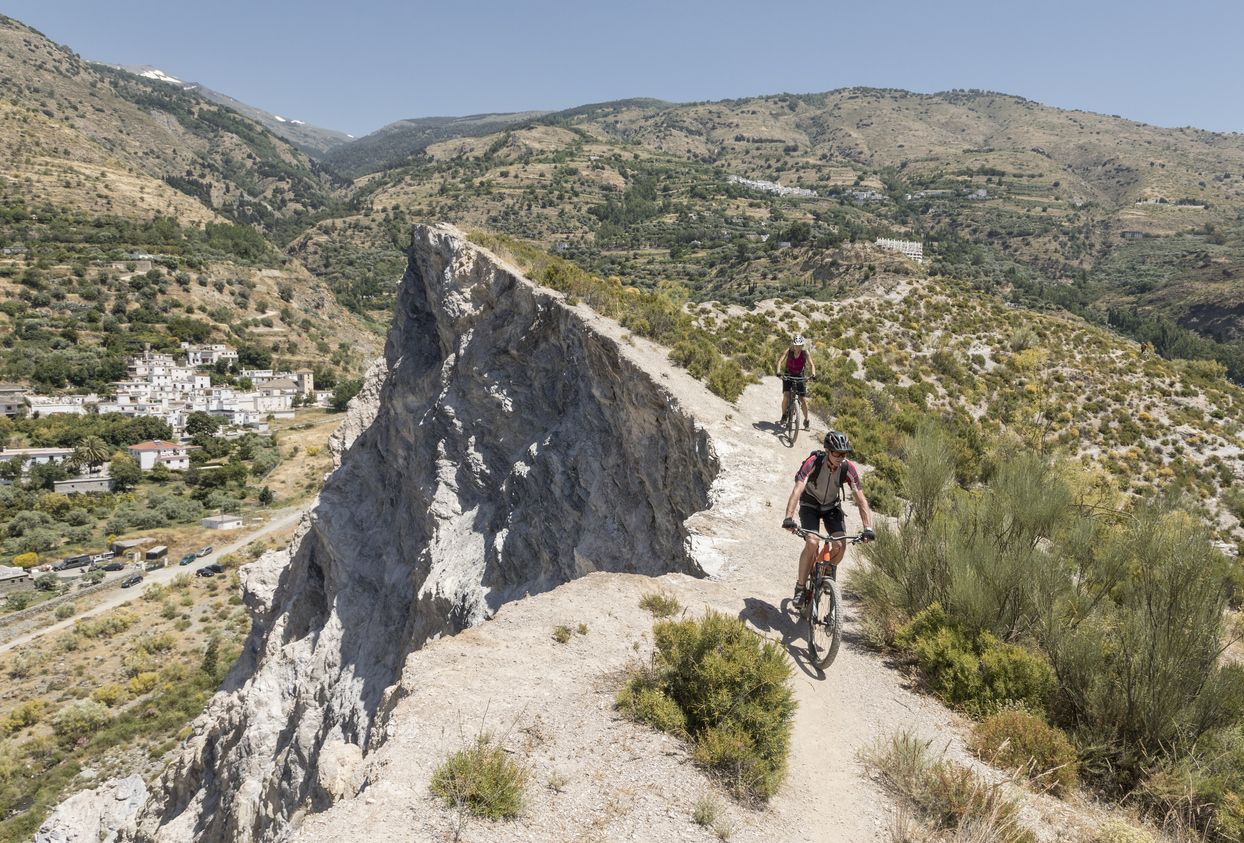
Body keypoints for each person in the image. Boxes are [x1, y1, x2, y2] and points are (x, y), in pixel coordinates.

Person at [781, 430, 874, 607]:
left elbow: (861, 499)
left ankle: (824, 575)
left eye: (843, 454)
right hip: (810, 505)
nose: (840, 457)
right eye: (836, 453)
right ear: (827, 451)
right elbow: (798, 489)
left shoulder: (848, 468)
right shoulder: (813, 462)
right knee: (813, 542)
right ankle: (800, 588)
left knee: (840, 545)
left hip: (831, 507)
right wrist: (789, 517)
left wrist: (868, 528)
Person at [775, 335, 815, 430]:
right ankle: (784, 415)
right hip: (788, 374)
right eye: (796, 345)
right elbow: (780, 361)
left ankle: (806, 420)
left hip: (800, 375)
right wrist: (778, 371)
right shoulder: (789, 351)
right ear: (793, 345)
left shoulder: (805, 353)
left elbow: (811, 364)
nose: (797, 347)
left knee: (803, 399)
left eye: (800, 345)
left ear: (802, 345)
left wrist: (813, 374)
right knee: (786, 395)